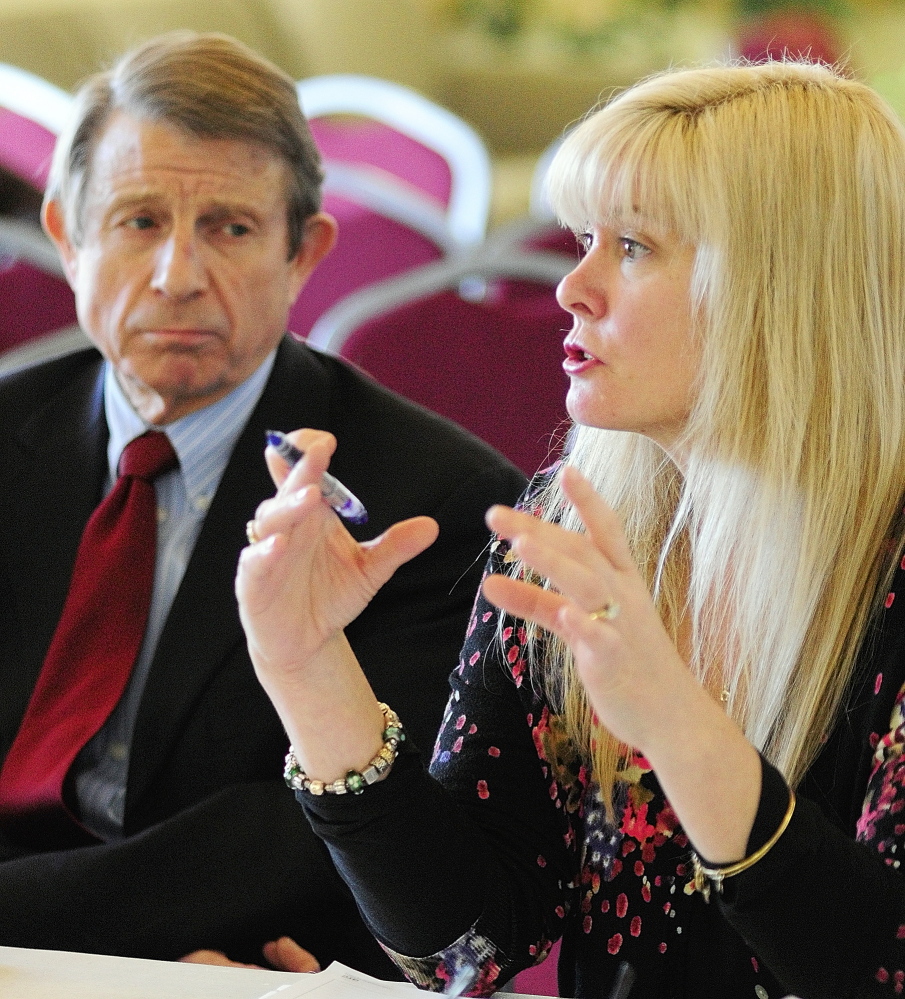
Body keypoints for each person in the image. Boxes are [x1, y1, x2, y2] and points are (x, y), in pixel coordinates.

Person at [236, 59, 905, 998]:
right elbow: (466, 950)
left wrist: (677, 725)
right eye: (584, 238)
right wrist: (309, 673)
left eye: (632, 246)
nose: (569, 288)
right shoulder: (571, 538)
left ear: (781, 286)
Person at [0, 31, 526, 973]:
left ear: (303, 252)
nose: (177, 275)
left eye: (231, 228)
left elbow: (286, 842)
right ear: (69, 239)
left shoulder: (431, 504)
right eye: (138, 221)